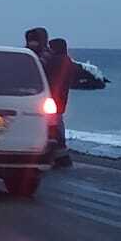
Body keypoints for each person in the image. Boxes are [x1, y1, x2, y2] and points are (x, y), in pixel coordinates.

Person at [43, 38, 76, 168]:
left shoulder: (56, 60)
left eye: (51, 48)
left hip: (53, 98)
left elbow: (47, 72)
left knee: (54, 126)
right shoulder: (67, 60)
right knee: (57, 124)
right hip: (61, 98)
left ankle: (61, 156)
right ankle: (60, 155)